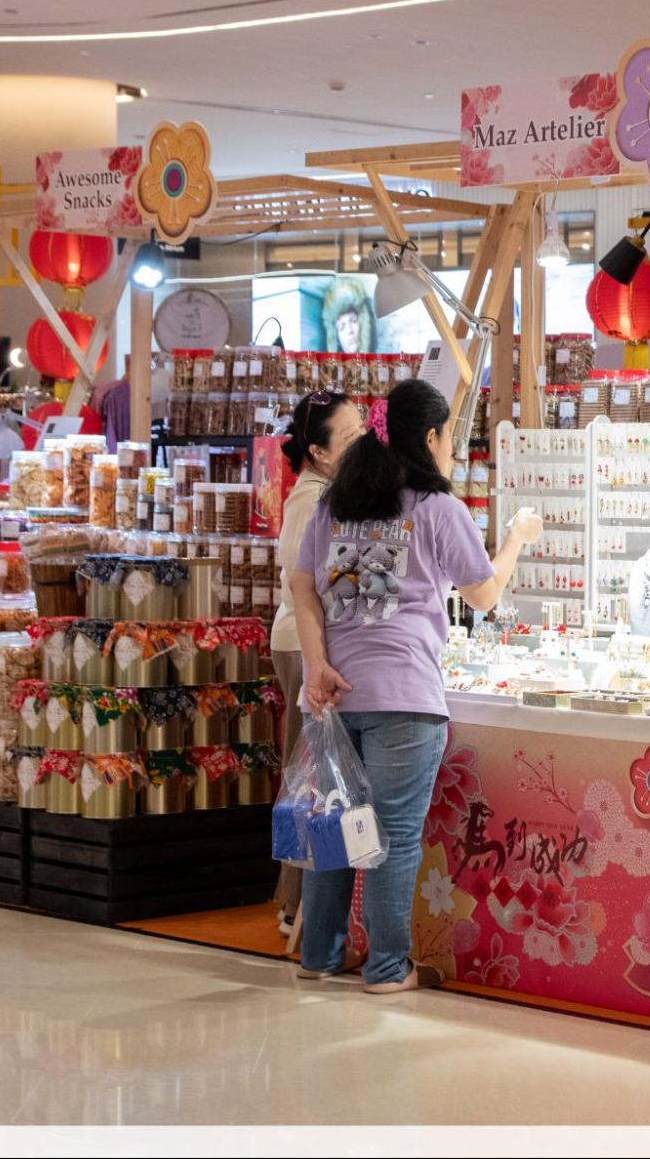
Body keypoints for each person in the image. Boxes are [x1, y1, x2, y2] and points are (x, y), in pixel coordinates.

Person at [286, 379, 541, 991]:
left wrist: (316, 665)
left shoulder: (340, 503)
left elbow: (302, 586)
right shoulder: (435, 508)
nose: (452, 447)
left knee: (336, 828)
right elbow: (483, 594)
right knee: (393, 839)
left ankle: (318, 956)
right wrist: (516, 541)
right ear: (429, 437)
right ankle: (386, 969)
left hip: (336, 695)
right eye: (450, 435)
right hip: (404, 698)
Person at [268, 389, 368, 932]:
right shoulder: (312, 499)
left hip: (317, 643)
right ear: (319, 451)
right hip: (303, 646)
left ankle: (301, 905)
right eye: (351, 436)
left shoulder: (330, 491)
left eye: (363, 430)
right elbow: (306, 581)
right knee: (309, 781)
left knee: (318, 776)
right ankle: (293, 907)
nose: (363, 443)